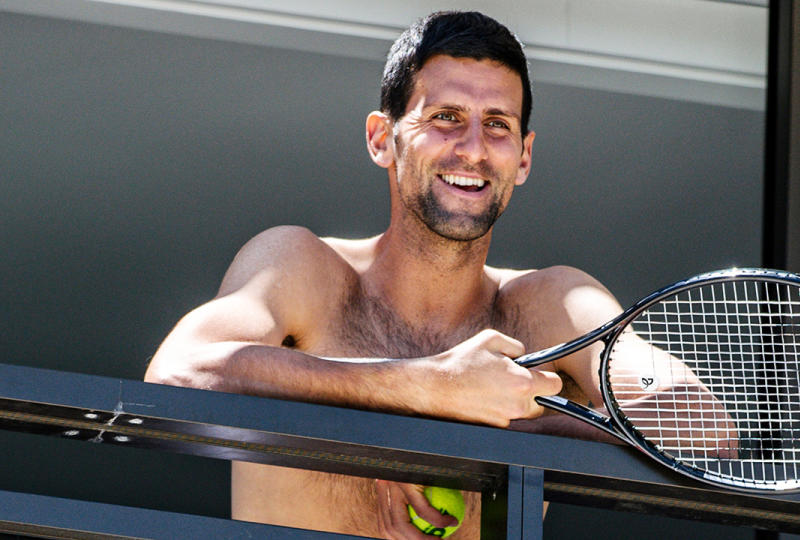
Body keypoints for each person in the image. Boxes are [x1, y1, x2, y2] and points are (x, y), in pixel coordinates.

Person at [145, 11, 730, 539]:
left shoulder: (551, 303)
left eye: (497, 124)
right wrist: (422, 393)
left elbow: (703, 430)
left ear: (523, 157)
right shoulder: (301, 266)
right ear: (383, 138)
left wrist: (490, 431)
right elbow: (177, 376)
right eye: (445, 117)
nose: (473, 148)